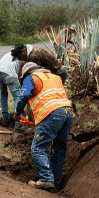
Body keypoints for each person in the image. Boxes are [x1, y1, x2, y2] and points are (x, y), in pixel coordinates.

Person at [14, 62, 75, 191]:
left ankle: (46, 178)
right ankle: (55, 181)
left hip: (52, 113)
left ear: (26, 73)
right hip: (68, 112)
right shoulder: (55, 77)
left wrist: (17, 113)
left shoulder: (30, 78)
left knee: (38, 148)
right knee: (58, 149)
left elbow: (23, 96)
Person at [0, 48, 24, 128]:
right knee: (18, 97)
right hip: (9, 74)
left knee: (3, 93)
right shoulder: (22, 56)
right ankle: (18, 124)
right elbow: (22, 72)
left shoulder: (8, 54)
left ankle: (5, 119)